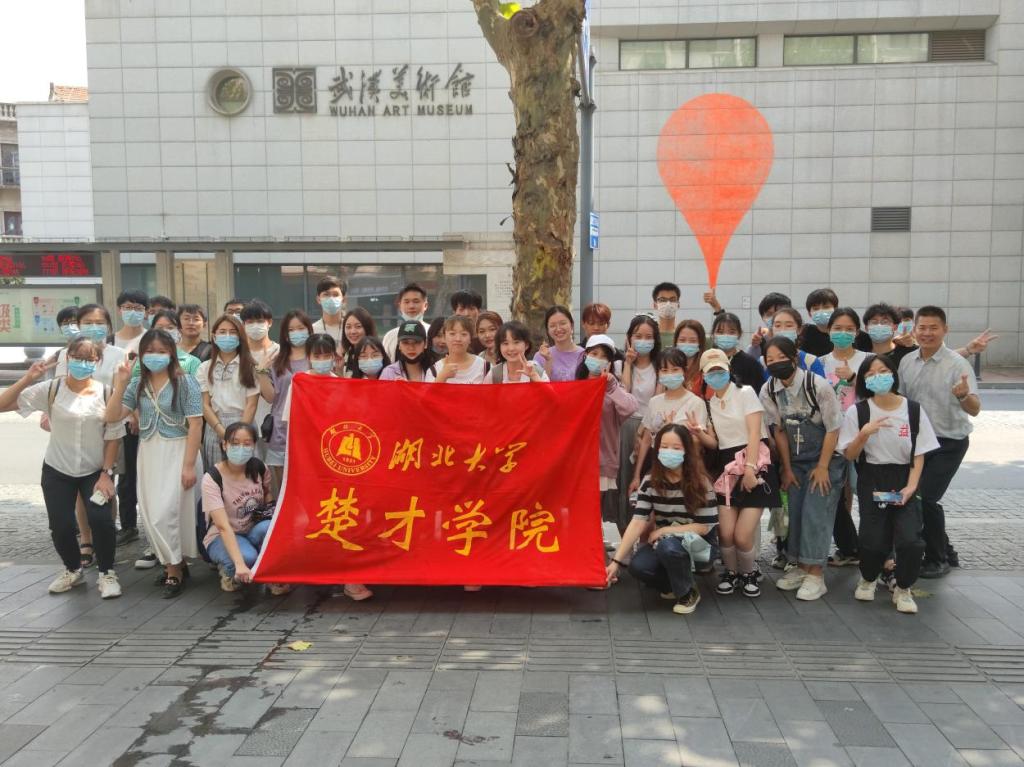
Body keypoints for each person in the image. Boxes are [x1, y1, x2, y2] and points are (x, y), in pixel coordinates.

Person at [0, 339, 125, 598]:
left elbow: (113, 435)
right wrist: (28, 378)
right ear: (67, 359)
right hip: (57, 469)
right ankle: (72, 569)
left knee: (101, 520)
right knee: (61, 526)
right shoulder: (51, 389)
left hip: (94, 470)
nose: (82, 363)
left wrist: (106, 473)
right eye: (77, 357)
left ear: (97, 362)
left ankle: (107, 573)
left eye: (89, 359)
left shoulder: (106, 393)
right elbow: (3, 405)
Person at [106, 328, 203, 598]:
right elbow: (112, 415)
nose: (155, 356)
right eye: (149, 351)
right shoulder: (138, 384)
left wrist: (188, 466)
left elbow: (196, 424)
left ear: (172, 353)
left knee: (167, 513)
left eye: (161, 351)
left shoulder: (185, 382)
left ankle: (173, 570)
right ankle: (177, 563)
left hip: (179, 450)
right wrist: (121, 383)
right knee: (151, 513)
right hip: (149, 452)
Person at [839, 354, 939, 613]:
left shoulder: (913, 410)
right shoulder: (858, 411)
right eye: (871, 374)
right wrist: (863, 434)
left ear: (893, 375)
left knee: (910, 539)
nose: (878, 377)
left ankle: (903, 587)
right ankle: (869, 578)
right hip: (874, 478)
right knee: (873, 537)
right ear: (863, 380)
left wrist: (911, 487)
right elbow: (849, 454)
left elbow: (919, 453)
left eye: (883, 371)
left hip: (905, 478)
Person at [280, 336, 374, 603]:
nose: (322, 361)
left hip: (339, 463)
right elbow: (291, 424)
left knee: (342, 517)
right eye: (316, 356)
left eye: (326, 355)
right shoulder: (299, 383)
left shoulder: (341, 383)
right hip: (309, 462)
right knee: (314, 518)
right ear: (308, 357)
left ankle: (349, 578)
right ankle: (318, 572)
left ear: (335, 357)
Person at [760, 338, 846, 601]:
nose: (775, 363)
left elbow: (833, 428)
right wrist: (786, 468)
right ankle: (799, 566)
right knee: (795, 513)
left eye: (780, 357)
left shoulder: (817, 385)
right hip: (796, 460)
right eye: (770, 359)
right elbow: (779, 431)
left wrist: (823, 467)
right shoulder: (769, 390)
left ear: (794, 357)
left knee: (815, 514)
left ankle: (816, 575)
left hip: (826, 459)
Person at [899, 305, 981, 578]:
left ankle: (937, 559)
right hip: (918, 443)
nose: (927, 333)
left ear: (945, 330)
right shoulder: (907, 362)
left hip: (949, 443)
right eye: (922, 327)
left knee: (925, 498)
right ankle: (946, 550)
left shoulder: (958, 364)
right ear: (914, 330)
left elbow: (975, 409)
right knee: (918, 496)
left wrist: (963, 395)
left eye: (934, 328)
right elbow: (902, 402)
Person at [606, 424, 717, 614]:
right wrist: (615, 562)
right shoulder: (650, 481)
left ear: (687, 451)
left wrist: (665, 530)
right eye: (664, 447)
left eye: (676, 447)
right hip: (665, 543)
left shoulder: (701, 482)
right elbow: (638, 521)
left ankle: (688, 593)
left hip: (700, 545)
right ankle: (679, 584)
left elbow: (704, 527)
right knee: (638, 567)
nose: (669, 452)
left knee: (668, 547)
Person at [699, 349, 781, 598]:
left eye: (720, 370)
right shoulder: (710, 404)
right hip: (727, 469)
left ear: (728, 370)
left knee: (743, 536)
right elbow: (715, 443)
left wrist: (750, 469)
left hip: (754, 462)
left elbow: (755, 433)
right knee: (725, 533)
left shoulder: (745, 393)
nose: (716, 375)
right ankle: (732, 573)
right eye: (710, 372)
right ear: (703, 375)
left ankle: (749, 573)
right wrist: (697, 431)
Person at [201, 422, 286, 594]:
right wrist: (240, 564)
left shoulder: (259, 468)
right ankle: (230, 572)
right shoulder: (212, 478)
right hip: (223, 535)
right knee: (247, 557)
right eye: (235, 443)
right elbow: (223, 526)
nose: (241, 448)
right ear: (224, 445)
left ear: (254, 446)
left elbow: (268, 496)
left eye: (247, 444)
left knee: (272, 527)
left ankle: (269, 573)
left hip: (253, 529)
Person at [578, 334, 638, 540]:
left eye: (604, 356)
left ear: (610, 363)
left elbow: (630, 407)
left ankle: (594, 550)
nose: (598, 359)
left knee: (594, 510)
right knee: (578, 510)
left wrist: (611, 386)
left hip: (602, 460)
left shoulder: (613, 388)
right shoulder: (575, 385)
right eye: (594, 354)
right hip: (577, 461)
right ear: (585, 355)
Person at [821, 308, 869, 566]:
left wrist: (853, 378)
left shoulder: (868, 360)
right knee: (835, 495)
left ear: (857, 332)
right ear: (828, 331)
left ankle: (879, 550)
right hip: (832, 438)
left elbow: (881, 392)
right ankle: (849, 546)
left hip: (865, 437)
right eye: (837, 328)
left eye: (849, 329)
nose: (843, 333)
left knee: (867, 492)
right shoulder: (820, 363)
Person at [629, 348, 709, 496]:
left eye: (675, 369)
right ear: (658, 373)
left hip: (686, 468)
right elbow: (646, 440)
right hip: (656, 465)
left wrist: (672, 433)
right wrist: (636, 475)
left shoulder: (696, 403)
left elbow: (698, 442)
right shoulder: (654, 402)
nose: (670, 374)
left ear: (684, 371)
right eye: (664, 370)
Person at [255, 309, 313, 494]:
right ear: (285, 334)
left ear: (309, 330)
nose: (297, 333)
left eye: (301, 328)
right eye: (291, 330)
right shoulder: (277, 361)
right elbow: (271, 397)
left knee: (307, 486)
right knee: (283, 490)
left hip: (310, 432)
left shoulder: (316, 359)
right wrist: (261, 372)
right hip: (281, 431)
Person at [616, 314, 661, 529]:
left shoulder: (660, 366)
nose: (643, 340)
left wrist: (643, 431)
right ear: (629, 338)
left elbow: (657, 402)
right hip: (625, 425)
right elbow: (625, 393)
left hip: (651, 427)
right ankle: (624, 530)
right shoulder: (620, 364)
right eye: (638, 336)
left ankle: (645, 533)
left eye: (648, 336)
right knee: (624, 480)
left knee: (647, 480)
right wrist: (628, 362)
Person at [197, 315, 259, 471]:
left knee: (246, 476)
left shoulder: (250, 367)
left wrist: (239, 434)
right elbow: (205, 405)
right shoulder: (204, 368)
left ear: (240, 336)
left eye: (232, 332)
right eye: (222, 332)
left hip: (244, 423)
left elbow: (252, 404)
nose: (227, 336)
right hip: (215, 426)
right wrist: (222, 432)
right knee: (217, 476)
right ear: (214, 336)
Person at [241, 301, 279, 458]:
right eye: (250, 322)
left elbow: (273, 396)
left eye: (260, 321)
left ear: (269, 323)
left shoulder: (279, 352)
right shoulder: (238, 354)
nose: (255, 326)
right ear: (243, 325)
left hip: (272, 428)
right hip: (244, 425)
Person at [764, 308, 826, 379]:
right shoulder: (763, 362)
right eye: (777, 326)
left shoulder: (810, 361)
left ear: (799, 329)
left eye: (789, 326)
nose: (782, 330)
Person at [709, 312, 764, 391]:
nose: (726, 335)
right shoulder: (708, 360)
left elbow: (758, 393)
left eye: (731, 332)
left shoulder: (750, 363)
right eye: (720, 332)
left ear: (739, 334)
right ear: (713, 334)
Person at [138, 310, 202, 376]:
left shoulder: (193, 362)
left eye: (170, 328)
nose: (164, 331)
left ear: (179, 332)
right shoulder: (143, 359)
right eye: (160, 328)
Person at [427, 316, 488, 384]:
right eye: (452, 334)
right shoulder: (434, 370)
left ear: (470, 339)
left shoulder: (485, 367)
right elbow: (428, 391)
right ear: (444, 337)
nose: (458, 339)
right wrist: (442, 376)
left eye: (464, 334)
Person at [535, 305, 585, 382]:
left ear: (572, 325)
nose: (558, 329)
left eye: (563, 323)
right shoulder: (540, 356)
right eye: (552, 326)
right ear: (548, 330)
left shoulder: (584, 355)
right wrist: (548, 361)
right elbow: (538, 386)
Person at [382, 283, 430, 360]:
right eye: (406, 302)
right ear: (400, 306)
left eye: (416, 301)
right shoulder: (390, 336)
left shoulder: (432, 332)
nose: (411, 306)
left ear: (425, 305)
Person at [746, 291, 792, 359]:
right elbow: (750, 362)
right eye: (769, 314)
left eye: (779, 312)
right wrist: (754, 347)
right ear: (763, 317)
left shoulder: (795, 338)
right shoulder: (758, 343)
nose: (775, 317)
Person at [672, 319, 709, 398]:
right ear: (676, 342)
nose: (687, 344)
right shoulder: (668, 366)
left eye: (693, 341)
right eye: (682, 340)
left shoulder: (706, 368)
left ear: (700, 343)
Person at [340, 307, 376, 377]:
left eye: (358, 326)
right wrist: (339, 370)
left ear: (367, 328)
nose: (353, 331)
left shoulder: (377, 354)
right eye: (348, 327)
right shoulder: (344, 354)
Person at [312, 277, 347, 343]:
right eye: (326, 294)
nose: (331, 298)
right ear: (318, 299)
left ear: (344, 299)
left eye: (335, 294)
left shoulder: (350, 330)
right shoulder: (312, 330)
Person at [113, 289, 148, 354]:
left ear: (146, 311)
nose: (133, 312)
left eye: (138, 308)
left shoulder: (152, 339)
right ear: (119, 310)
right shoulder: (109, 341)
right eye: (128, 307)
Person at [652, 282, 681, 349]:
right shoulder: (650, 335)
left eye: (672, 300)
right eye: (662, 300)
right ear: (655, 305)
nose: (668, 304)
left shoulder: (683, 335)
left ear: (678, 304)